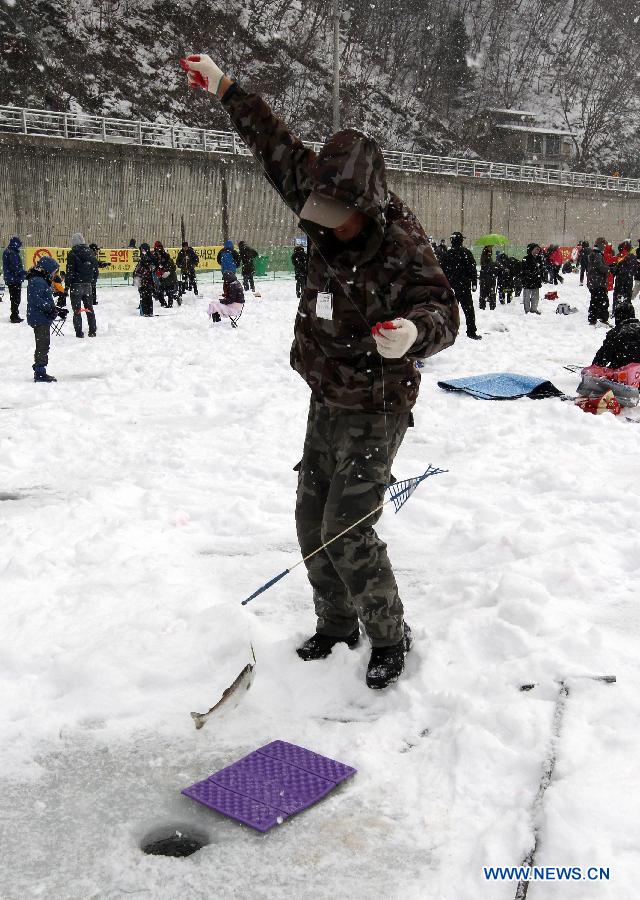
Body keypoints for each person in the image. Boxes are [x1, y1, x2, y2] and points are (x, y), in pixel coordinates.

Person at [181, 53, 459, 689]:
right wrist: (225, 87)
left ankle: (390, 635)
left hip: (377, 403)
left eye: (342, 220)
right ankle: (337, 624)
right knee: (311, 523)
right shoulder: (319, 187)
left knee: (348, 530)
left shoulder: (402, 242)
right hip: (324, 394)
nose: (330, 231)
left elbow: (442, 306)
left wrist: (415, 334)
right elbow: (271, 141)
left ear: (367, 203)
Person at [26, 255, 67, 382]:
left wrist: (56, 309)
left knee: (43, 344)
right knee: (43, 345)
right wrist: (50, 309)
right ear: (48, 269)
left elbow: (43, 299)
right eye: (54, 271)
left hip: (40, 316)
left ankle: (39, 367)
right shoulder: (38, 281)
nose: (55, 274)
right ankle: (40, 371)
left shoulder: (40, 280)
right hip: (39, 317)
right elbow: (37, 300)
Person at [441, 232, 481, 339]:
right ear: (461, 241)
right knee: (469, 310)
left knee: (450, 311)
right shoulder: (466, 253)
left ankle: (449, 332)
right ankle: (471, 332)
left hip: (451, 287)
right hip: (464, 287)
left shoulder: (447, 254)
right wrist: (474, 283)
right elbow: (472, 269)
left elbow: (442, 271)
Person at [65, 232, 99, 337]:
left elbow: (70, 271)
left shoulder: (72, 253)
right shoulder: (90, 252)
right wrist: (92, 282)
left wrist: (67, 285)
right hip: (88, 285)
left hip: (76, 285)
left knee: (77, 310)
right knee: (89, 309)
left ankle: (79, 333)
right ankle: (92, 331)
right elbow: (95, 270)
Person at [592, 303, 640, 367]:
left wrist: (595, 366)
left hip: (622, 371)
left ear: (618, 317)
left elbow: (603, 356)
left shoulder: (616, 333)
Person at [2, 236, 27, 323]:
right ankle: (14, 316)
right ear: (16, 244)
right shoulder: (12, 253)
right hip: (14, 279)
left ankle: (14, 314)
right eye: (19, 244)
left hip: (10, 279)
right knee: (16, 298)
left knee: (14, 298)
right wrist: (24, 273)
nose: (20, 246)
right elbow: (15, 267)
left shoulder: (7, 251)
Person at [586, 237, 611, 326]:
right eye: (604, 245)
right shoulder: (598, 254)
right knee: (603, 301)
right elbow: (600, 267)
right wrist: (609, 268)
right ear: (601, 244)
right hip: (598, 283)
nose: (605, 247)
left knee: (594, 301)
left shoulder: (593, 253)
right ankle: (602, 319)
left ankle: (593, 319)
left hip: (593, 282)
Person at [152, 241, 180, 307]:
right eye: (157, 248)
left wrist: (168, 272)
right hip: (161, 278)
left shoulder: (166, 257)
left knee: (169, 292)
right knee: (159, 293)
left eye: (159, 248)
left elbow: (173, 267)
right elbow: (155, 266)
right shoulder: (155, 257)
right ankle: (164, 304)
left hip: (170, 277)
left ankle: (170, 305)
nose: (158, 250)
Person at [132, 243, 156, 316]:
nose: (142, 251)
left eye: (143, 249)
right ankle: (146, 312)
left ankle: (147, 312)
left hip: (148, 280)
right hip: (144, 280)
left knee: (147, 296)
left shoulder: (150, 257)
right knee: (144, 296)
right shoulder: (143, 257)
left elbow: (152, 267)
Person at [521, 243, 545, 314]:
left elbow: (541, 268)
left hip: (536, 280)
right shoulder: (526, 258)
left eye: (538, 249)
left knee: (535, 296)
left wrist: (541, 271)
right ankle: (527, 310)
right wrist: (530, 273)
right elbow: (523, 269)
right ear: (531, 249)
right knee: (527, 297)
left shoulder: (539, 258)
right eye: (536, 249)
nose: (538, 251)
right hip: (527, 280)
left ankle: (534, 309)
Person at [478, 246, 498, 310]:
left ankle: (485, 306)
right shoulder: (486, 257)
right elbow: (487, 266)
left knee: (485, 293)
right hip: (487, 277)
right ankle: (489, 306)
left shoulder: (487, 257)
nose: (491, 249)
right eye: (490, 248)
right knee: (489, 293)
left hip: (487, 277)